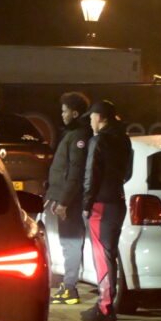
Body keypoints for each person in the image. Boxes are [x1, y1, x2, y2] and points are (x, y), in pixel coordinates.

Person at [80, 99, 133, 321]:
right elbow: (128, 172)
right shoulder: (124, 139)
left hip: (100, 204)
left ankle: (104, 306)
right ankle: (107, 302)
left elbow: (91, 174)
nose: (90, 121)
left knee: (102, 255)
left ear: (100, 117)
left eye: (92, 117)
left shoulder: (99, 141)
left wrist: (86, 204)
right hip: (117, 201)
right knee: (110, 254)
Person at [45, 92, 93, 305]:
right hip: (65, 198)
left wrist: (64, 201)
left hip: (70, 202)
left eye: (64, 111)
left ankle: (70, 288)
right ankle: (69, 285)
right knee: (67, 243)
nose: (62, 115)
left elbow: (74, 172)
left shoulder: (78, 136)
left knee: (70, 243)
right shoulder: (73, 134)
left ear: (75, 113)